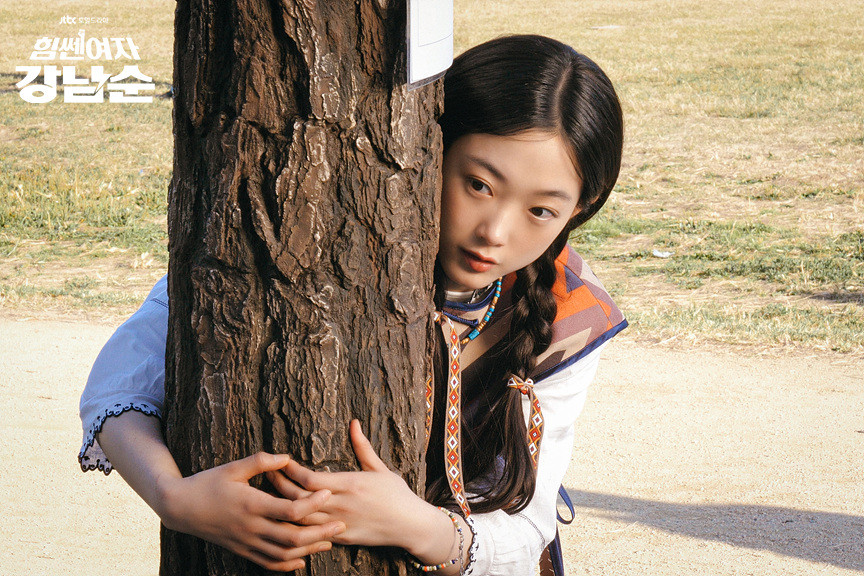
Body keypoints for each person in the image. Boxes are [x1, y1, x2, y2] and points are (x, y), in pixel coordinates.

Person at [79, 34, 626, 575]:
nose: (495, 232)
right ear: (430, 146)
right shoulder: (321, 232)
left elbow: (528, 529)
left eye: (541, 211)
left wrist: (420, 528)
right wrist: (173, 499)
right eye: (479, 184)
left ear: (580, 209)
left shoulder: (568, 313)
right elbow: (121, 381)